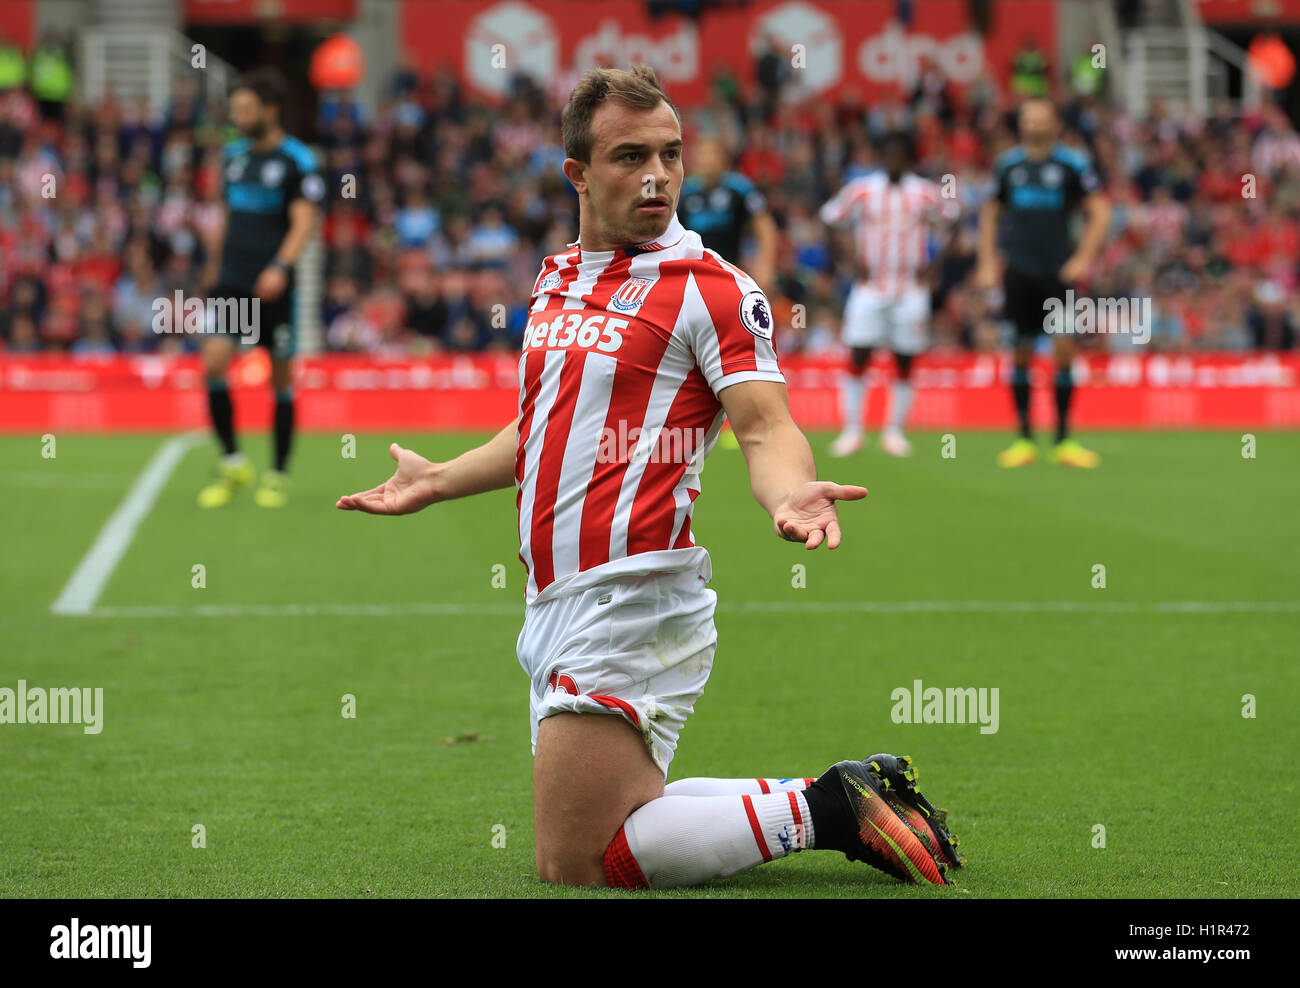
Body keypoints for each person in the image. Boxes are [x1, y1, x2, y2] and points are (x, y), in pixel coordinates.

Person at [338, 66, 962, 890]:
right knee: (625, 819)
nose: (658, 175)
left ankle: (827, 812)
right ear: (578, 175)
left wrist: (787, 490)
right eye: (631, 156)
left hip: (631, 591)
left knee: (576, 863)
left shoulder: (712, 290)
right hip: (555, 595)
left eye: (670, 154)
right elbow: (547, 427)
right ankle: (840, 795)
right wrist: (439, 480)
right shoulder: (557, 276)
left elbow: (765, 424)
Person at [197, 69, 324, 508]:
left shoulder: (298, 161)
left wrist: (280, 266)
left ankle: (278, 474)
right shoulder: (233, 157)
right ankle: (233, 462)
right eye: (235, 109)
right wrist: (213, 265)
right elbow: (227, 215)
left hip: (273, 288)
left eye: (246, 109)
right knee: (214, 363)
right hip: (232, 282)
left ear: (270, 111)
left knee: (280, 378)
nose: (238, 116)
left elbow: (303, 221)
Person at [977, 99, 1111, 467]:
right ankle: (1023, 439)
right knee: (1020, 350)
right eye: (1028, 119)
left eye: (1041, 118)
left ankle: (1064, 439)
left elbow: (1100, 211)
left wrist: (1083, 257)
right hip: (1018, 270)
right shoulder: (1008, 165)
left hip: (1058, 271)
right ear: (1021, 125)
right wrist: (988, 260)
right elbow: (991, 211)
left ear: (1054, 124)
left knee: (1064, 350)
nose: (1034, 124)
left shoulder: (1072, 164)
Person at [820, 131, 954, 457]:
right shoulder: (863, 190)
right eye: (888, 154)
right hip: (869, 288)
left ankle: (894, 432)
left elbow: (954, 221)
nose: (894, 160)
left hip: (911, 288)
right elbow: (830, 219)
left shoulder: (924, 193)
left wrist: (935, 266)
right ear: (881, 157)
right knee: (859, 353)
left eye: (900, 154)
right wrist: (849, 260)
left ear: (909, 158)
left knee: (905, 358)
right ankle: (852, 430)